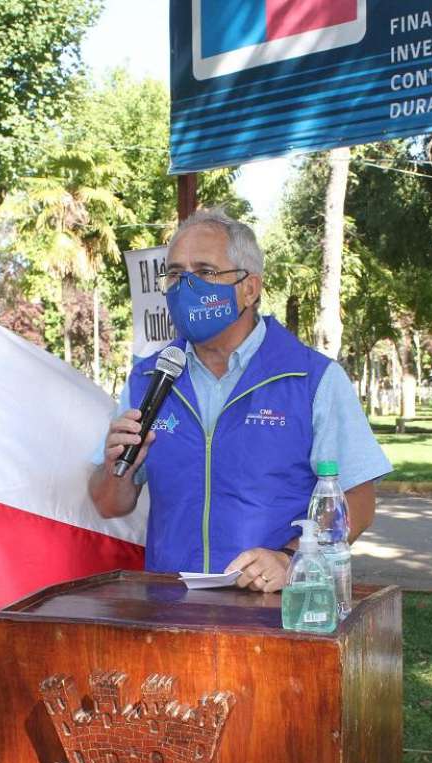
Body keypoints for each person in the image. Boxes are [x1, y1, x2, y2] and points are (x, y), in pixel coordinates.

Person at [89, 208, 391, 592]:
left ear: (250, 289)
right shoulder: (150, 379)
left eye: (205, 272)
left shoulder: (312, 379)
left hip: (275, 608)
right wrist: (116, 467)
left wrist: (292, 558)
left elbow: (358, 503)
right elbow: (110, 504)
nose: (187, 287)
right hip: (170, 607)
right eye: (177, 274)